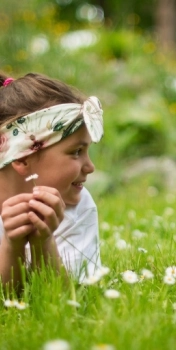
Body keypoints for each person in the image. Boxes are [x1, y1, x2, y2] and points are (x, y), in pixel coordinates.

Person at [0, 72, 103, 290]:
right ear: (22, 158)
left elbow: (68, 297)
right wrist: (12, 245)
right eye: (76, 152)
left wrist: (43, 243)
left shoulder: (79, 207)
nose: (90, 167)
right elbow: (6, 302)